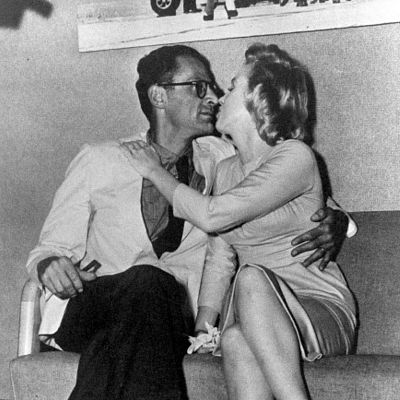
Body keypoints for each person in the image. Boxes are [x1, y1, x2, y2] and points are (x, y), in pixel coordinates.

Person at [26, 44, 354, 400]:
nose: (213, 96)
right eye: (199, 87)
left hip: (170, 316)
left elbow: (297, 197)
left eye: (216, 87)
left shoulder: (222, 157)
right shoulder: (100, 159)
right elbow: (47, 249)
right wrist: (48, 264)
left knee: (142, 312)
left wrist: (339, 221)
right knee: (147, 284)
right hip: (99, 304)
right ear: (159, 96)